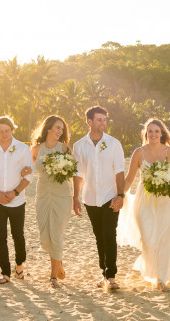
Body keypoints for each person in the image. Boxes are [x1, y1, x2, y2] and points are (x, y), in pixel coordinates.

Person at [117, 119, 170, 292]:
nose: (153, 134)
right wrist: (118, 195)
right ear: (146, 134)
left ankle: (161, 278)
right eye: (150, 131)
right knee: (148, 238)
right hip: (145, 200)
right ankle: (152, 271)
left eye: (156, 131)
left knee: (164, 238)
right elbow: (129, 180)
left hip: (167, 200)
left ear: (162, 133)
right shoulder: (139, 153)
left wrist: (165, 184)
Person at [72, 106, 125, 290]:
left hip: (110, 197)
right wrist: (75, 198)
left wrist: (120, 196)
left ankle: (111, 276)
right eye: (99, 120)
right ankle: (104, 273)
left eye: (104, 120)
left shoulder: (114, 143)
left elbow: (119, 172)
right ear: (90, 121)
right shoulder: (79, 146)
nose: (103, 123)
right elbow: (78, 174)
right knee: (99, 236)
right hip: (90, 198)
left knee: (109, 234)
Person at [0, 116, 34, 284]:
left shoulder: (23, 148)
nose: (4, 134)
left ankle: (19, 266)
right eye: (1, 131)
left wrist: (15, 193)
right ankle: (5, 273)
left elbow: (29, 175)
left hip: (17, 200)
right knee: (0, 237)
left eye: (7, 131)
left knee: (18, 235)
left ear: (12, 130)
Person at [25, 115, 72, 288]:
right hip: (42, 193)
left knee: (57, 233)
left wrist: (75, 199)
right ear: (49, 128)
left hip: (62, 195)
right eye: (58, 128)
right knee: (45, 235)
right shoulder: (36, 149)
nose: (60, 131)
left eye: (62, 129)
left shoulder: (65, 149)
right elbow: (28, 169)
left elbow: (72, 173)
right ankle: (58, 261)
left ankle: (53, 275)